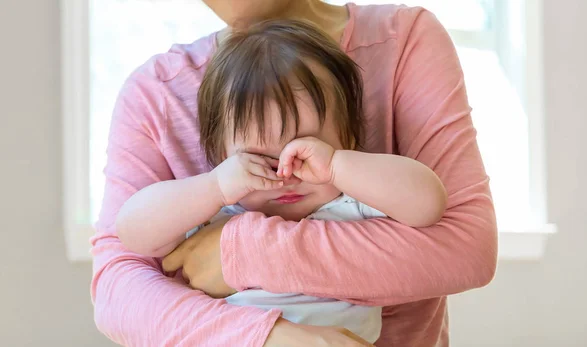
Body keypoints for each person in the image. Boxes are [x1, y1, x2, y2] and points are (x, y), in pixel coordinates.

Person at [91, 1, 498, 346]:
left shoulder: (354, 200)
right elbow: (126, 256)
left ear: (351, 137)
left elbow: (448, 225)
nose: (285, 173)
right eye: (258, 158)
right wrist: (212, 186)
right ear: (219, 154)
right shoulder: (220, 199)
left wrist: (337, 167)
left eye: (303, 151)